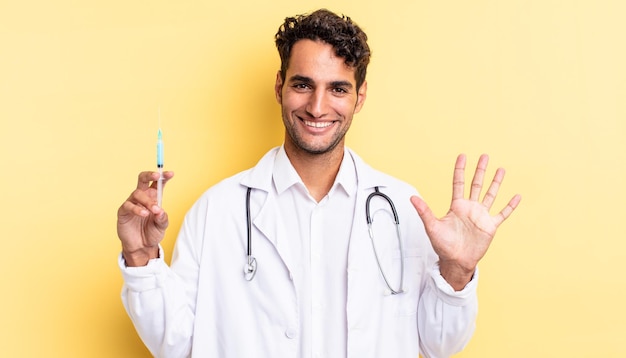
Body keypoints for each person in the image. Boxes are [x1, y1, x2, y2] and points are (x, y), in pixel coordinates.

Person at [117, 9, 521, 358]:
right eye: (303, 84)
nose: (317, 106)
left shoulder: (400, 207)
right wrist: (139, 256)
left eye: (338, 89)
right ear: (280, 87)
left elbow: (440, 344)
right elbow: (175, 343)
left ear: (360, 97)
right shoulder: (216, 210)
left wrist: (457, 269)